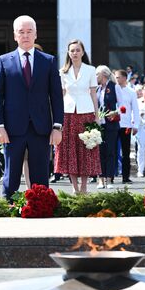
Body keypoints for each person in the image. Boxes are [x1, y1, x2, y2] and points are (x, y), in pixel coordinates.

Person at [0, 15, 64, 200]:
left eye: (29, 31)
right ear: (15, 35)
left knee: (40, 172)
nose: (25, 35)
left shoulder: (48, 61)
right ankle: (9, 205)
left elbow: (56, 96)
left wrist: (57, 126)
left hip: (41, 127)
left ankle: (41, 206)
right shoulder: (3, 61)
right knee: (11, 172)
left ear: (36, 34)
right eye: (21, 32)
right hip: (12, 128)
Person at [54, 39, 100, 194]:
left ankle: (85, 186)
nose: (75, 53)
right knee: (69, 149)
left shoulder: (90, 70)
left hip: (86, 112)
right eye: (72, 50)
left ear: (83, 52)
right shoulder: (62, 71)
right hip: (67, 113)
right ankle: (74, 187)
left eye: (77, 50)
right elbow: (60, 95)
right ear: (68, 53)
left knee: (86, 148)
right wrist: (56, 117)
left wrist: (97, 115)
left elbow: (93, 94)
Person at [95, 65, 119, 189]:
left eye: (97, 74)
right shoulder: (97, 89)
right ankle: (101, 179)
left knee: (110, 151)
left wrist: (115, 112)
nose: (95, 77)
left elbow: (122, 105)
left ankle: (109, 179)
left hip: (112, 124)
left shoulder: (115, 87)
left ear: (103, 74)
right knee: (99, 151)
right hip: (100, 124)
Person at [114, 69, 139, 183]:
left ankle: (125, 176)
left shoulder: (131, 92)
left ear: (124, 78)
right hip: (114, 124)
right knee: (112, 150)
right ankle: (111, 176)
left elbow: (135, 109)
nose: (116, 79)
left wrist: (136, 125)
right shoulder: (113, 89)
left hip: (126, 125)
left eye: (118, 77)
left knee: (126, 152)